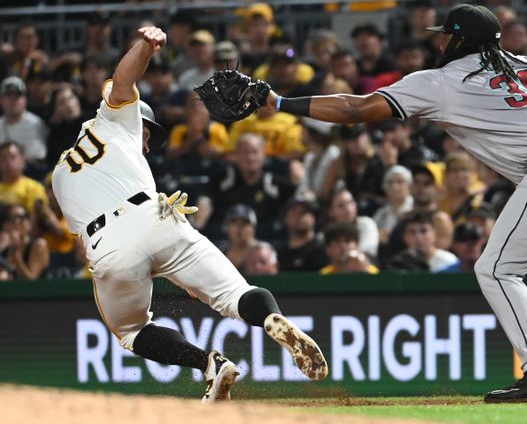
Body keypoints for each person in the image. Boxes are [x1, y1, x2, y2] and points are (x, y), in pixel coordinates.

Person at [256, 3, 527, 402]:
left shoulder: (440, 81)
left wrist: (279, 102)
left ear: (461, 40)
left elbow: (355, 109)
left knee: (496, 268)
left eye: (446, 36)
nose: (440, 42)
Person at [51, 26, 327, 402]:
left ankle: (209, 364)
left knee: (132, 332)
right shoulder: (116, 119)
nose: (148, 144)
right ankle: (269, 319)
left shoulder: (59, 176)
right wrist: (146, 48)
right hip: (158, 219)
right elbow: (123, 79)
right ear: (141, 122)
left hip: (107, 244)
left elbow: (84, 238)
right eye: (150, 135)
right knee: (236, 293)